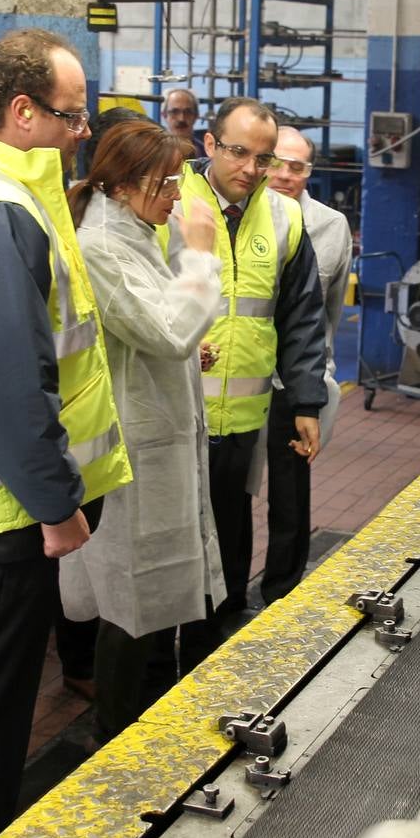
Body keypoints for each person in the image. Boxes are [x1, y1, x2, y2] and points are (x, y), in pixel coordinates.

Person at [0, 28, 132, 838]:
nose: (83, 131)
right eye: (72, 115)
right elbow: (8, 381)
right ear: (22, 113)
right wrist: (56, 504)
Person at [60, 120, 226, 744]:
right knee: (129, 602)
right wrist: (202, 255)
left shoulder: (133, 230)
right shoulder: (102, 244)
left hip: (152, 431)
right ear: (125, 183)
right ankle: (113, 737)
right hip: (132, 445)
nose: (177, 197)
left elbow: (154, 332)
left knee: (149, 597)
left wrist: (187, 353)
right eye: (167, 183)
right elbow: (164, 330)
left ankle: (139, 723)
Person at [180, 97, 328, 613]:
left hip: (243, 418)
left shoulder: (284, 216)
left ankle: (214, 641)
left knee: (231, 531)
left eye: (262, 158)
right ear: (210, 144)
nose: (251, 169)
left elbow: (302, 317)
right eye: (238, 153)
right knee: (171, 539)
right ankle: (156, 667)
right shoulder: (170, 201)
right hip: (176, 413)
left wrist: (307, 402)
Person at [258, 127, 353, 602]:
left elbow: (329, 311)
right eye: (275, 162)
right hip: (241, 378)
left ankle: (282, 594)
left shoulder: (332, 227)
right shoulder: (245, 215)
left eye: (297, 166)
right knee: (229, 490)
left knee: (291, 495)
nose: (284, 175)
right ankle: (227, 596)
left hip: (295, 382)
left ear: (309, 172)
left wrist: (315, 379)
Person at [163, 88, 206, 159]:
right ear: (164, 115)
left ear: (196, 115)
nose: (181, 118)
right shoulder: (153, 153)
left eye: (188, 112)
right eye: (175, 111)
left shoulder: (206, 154)